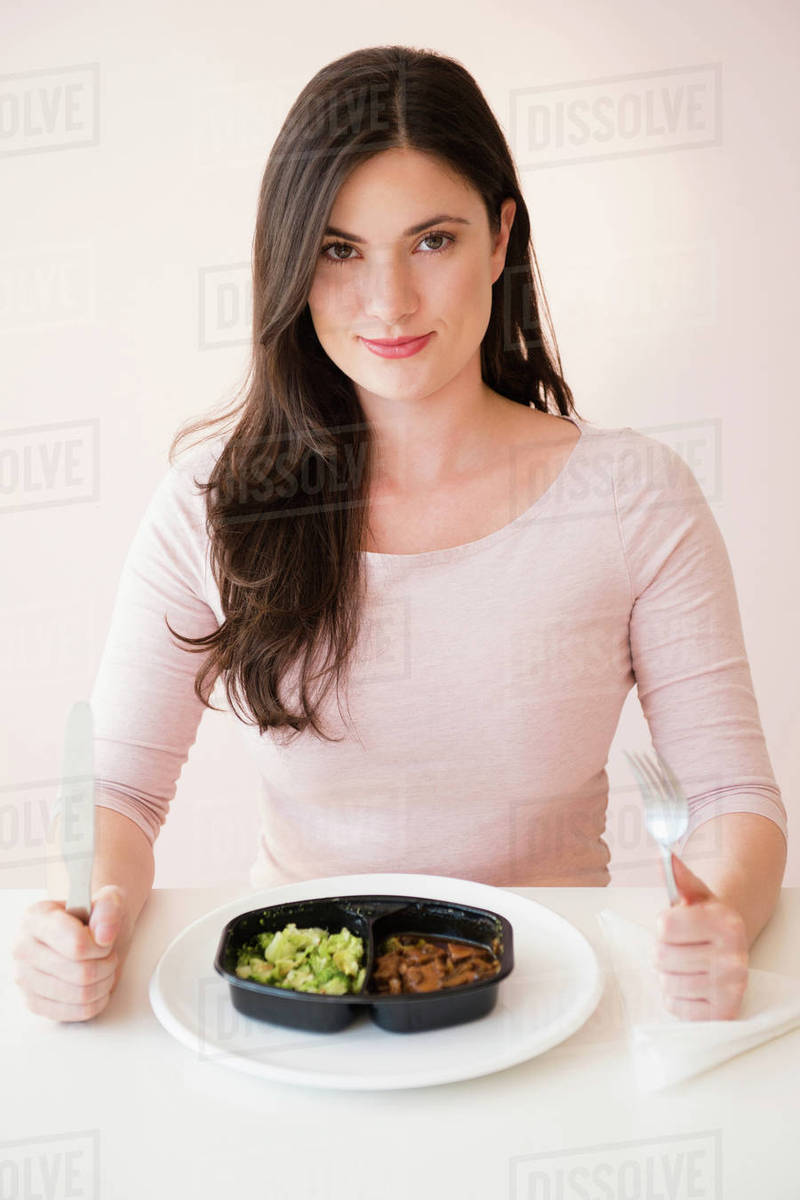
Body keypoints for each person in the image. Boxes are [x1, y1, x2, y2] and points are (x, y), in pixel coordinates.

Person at [12, 45, 787, 1025]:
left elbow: (727, 799)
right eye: (339, 250)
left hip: (549, 1006)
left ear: (500, 238)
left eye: (431, 241)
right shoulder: (210, 502)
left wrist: (717, 913)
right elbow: (115, 788)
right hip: (298, 1012)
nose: (387, 303)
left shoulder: (633, 497)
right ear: (291, 264)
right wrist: (83, 917)